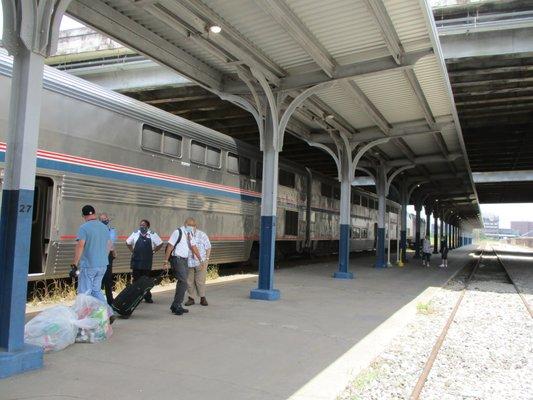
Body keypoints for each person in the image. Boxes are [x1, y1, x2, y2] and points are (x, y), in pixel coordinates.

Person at [71, 205, 111, 305]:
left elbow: (80, 246)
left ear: (83, 215)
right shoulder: (104, 227)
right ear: (94, 213)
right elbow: (109, 245)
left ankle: (82, 316)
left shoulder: (84, 228)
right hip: (102, 265)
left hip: (89, 265)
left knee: (84, 292)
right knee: (96, 290)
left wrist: (74, 264)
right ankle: (107, 312)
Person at [164, 218, 202, 316]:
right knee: (183, 281)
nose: (191, 227)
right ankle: (177, 305)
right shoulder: (178, 232)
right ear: (185, 224)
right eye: (190, 225)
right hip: (177, 259)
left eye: (193, 225)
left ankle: (176, 305)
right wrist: (165, 261)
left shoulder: (190, 234)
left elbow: (194, 247)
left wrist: (200, 259)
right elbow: (170, 246)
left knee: (182, 282)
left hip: (185, 260)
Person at [126, 219, 163, 303]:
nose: (142, 227)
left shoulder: (152, 234)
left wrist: (154, 251)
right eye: (141, 225)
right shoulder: (135, 233)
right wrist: (132, 250)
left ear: (148, 226)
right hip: (136, 261)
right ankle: (134, 298)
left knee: (145, 280)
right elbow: (128, 242)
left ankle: (147, 297)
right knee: (136, 280)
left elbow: (160, 243)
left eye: (144, 225)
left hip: (147, 261)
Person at [184, 219, 212, 307]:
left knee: (200, 280)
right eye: (187, 225)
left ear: (195, 226)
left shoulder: (202, 235)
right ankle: (191, 298)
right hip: (188, 261)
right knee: (189, 281)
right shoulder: (184, 235)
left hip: (201, 261)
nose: (189, 227)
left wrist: (206, 259)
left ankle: (202, 298)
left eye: (191, 225)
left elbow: (208, 247)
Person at [99, 213, 116, 305]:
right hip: (100, 256)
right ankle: (99, 300)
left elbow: (111, 242)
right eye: (102, 219)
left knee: (108, 279)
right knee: (100, 278)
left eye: (105, 218)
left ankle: (110, 301)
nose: (104, 220)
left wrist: (113, 253)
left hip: (108, 256)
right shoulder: (98, 230)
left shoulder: (111, 230)